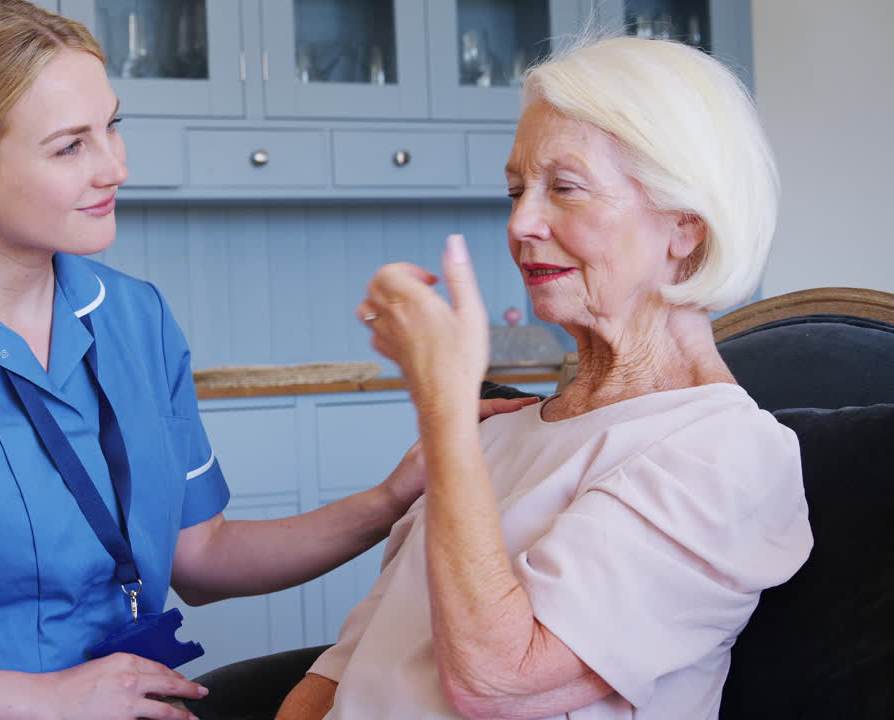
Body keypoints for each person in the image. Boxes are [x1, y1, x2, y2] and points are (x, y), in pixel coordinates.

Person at [0, 2, 531, 719]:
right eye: (69, 146)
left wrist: (391, 496)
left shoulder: (135, 317)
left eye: (110, 126)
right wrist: (47, 702)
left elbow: (202, 555)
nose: (114, 166)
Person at [277, 35, 813, 720]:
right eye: (515, 190)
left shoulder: (728, 456)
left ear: (685, 229)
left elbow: (499, 682)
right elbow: (348, 669)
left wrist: (442, 406)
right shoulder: (496, 437)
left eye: (564, 188)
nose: (521, 222)